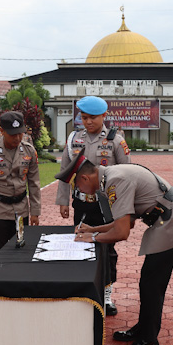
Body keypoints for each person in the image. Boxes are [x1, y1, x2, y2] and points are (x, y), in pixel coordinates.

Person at [56, 149, 173, 345]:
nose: (81, 191)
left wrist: (92, 237)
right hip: (165, 219)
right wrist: (93, 230)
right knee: (148, 282)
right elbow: (126, 221)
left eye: (77, 187)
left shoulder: (115, 181)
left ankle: (148, 342)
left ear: (85, 178)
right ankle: (143, 330)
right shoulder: (109, 177)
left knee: (152, 284)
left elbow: (122, 232)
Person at [56, 96, 132, 316]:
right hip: (81, 202)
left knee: (107, 249)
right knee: (81, 244)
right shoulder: (74, 139)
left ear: (104, 116)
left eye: (93, 118)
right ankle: (84, 291)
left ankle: (107, 295)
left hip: (107, 205)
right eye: (84, 117)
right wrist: (63, 201)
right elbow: (65, 171)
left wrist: (124, 207)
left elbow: (127, 175)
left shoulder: (115, 140)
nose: (88, 122)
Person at [0, 111, 41, 257]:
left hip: (21, 211)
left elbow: (34, 183)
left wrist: (35, 211)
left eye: (20, 133)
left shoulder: (29, 150)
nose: (17, 138)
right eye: (12, 134)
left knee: (21, 254)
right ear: (2, 131)